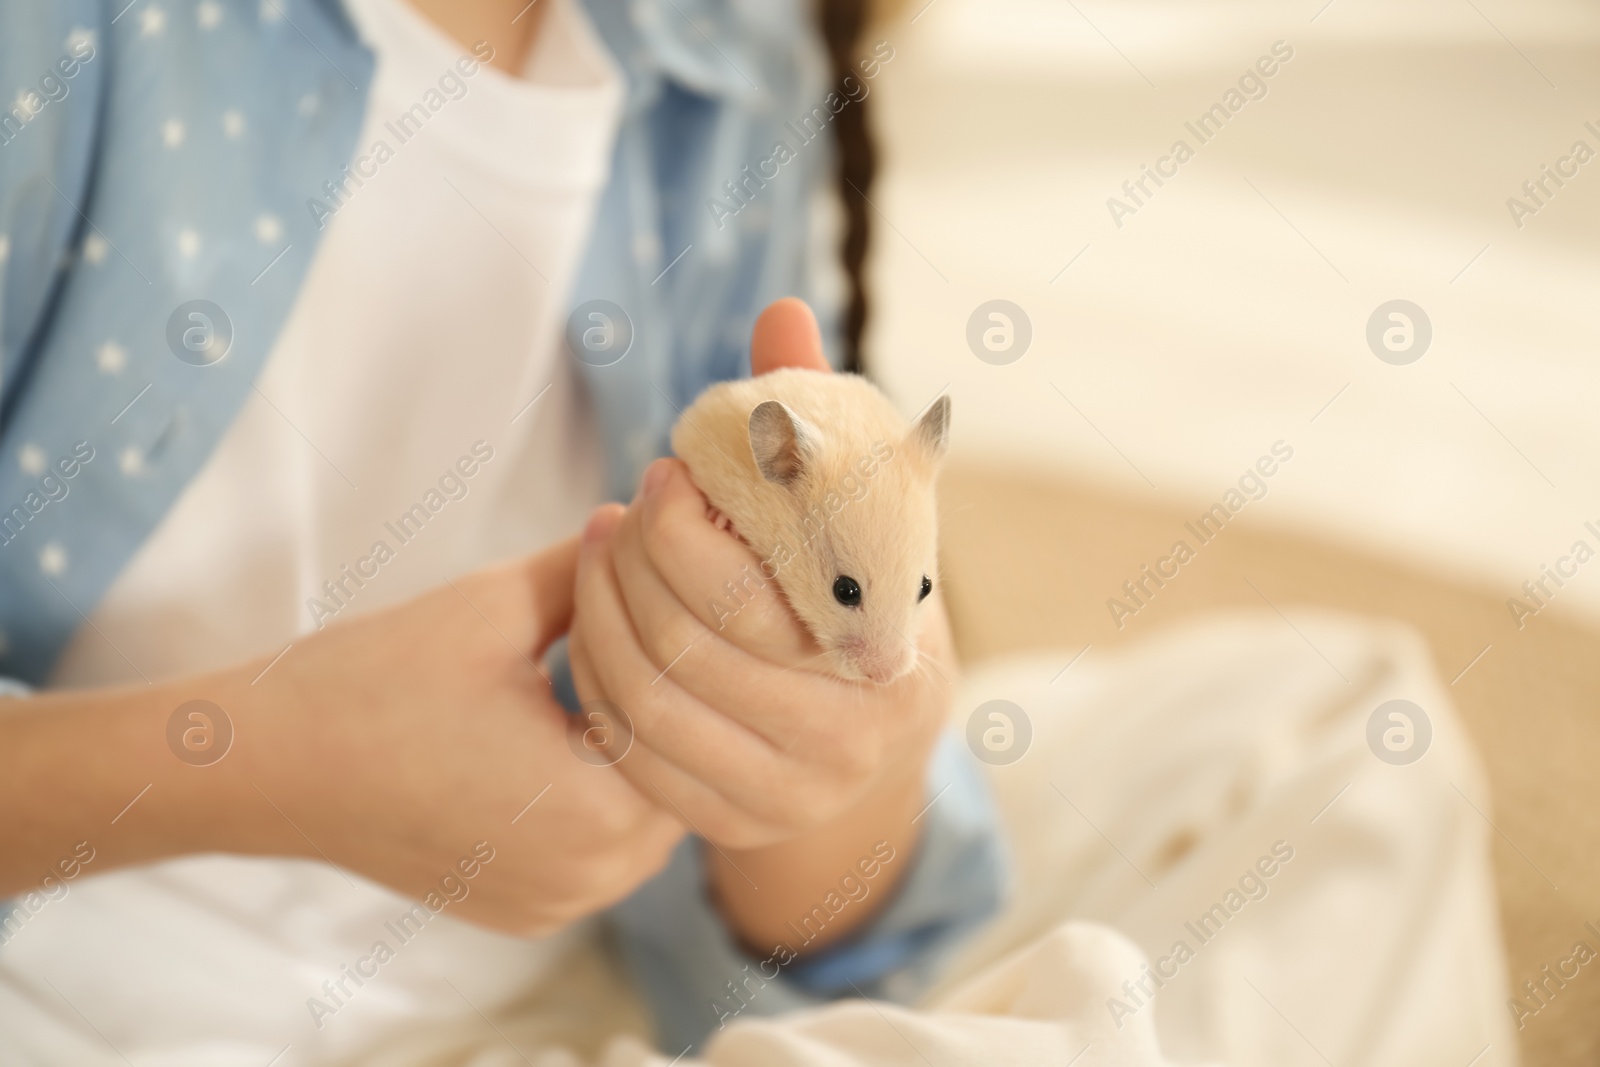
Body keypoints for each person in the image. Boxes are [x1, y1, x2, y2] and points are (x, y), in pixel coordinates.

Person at [0, 0, 1002, 1062]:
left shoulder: (733, 61)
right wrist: (277, 761)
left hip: (536, 1013)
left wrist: (846, 755)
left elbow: (841, 932)